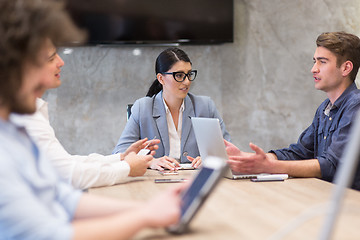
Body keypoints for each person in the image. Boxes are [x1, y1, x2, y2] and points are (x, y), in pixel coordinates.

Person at [0, 0, 183, 239]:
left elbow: (61, 196)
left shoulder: (15, 130)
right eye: (48, 57)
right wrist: (144, 216)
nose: (60, 63)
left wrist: (147, 209)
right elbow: (47, 234)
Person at [10, 39, 160, 190]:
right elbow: (69, 174)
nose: (61, 62)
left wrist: (121, 158)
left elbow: (66, 163)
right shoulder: (24, 116)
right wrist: (127, 167)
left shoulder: (31, 110)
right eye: (51, 58)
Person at [225, 32, 360, 190]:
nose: (313, 69)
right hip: (325, 198)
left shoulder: (356, 106)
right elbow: (299, 152)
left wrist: (268, 166)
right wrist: (247, 157)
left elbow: (331, 165)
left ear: (346, 68)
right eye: (314, 61)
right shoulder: (324, 108)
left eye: (322, 62)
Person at [113, 47, 231, 171]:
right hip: (153, 182)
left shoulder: (205, 106)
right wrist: (150, 162)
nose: (186, 81)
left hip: (194, 180)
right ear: (161, 78)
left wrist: (210, 159)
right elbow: (120, 154)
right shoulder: (142, 108)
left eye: (189, 74)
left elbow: (229, 151)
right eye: (179, 75)